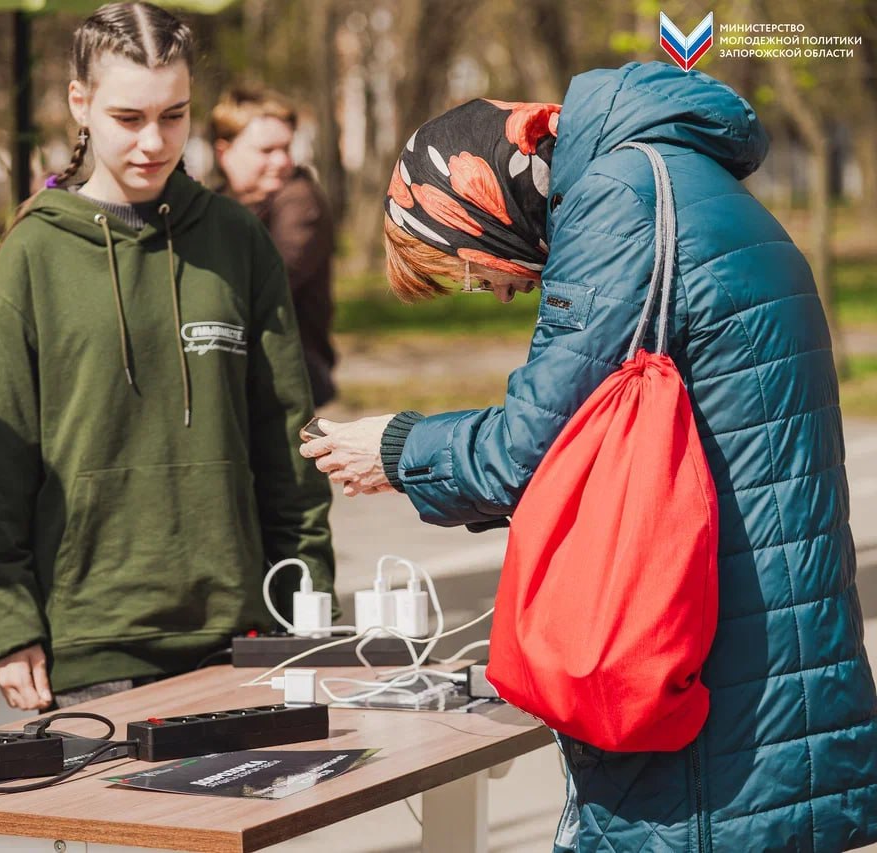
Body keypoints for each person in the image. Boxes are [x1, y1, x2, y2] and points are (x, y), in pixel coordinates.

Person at [302, 62, 877, 851]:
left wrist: (397, 448)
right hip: (775, 662)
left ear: (477, 201)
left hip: (710, 704)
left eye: (465, 269)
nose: (495, 291)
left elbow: (530, 447)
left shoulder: (617, 201)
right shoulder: (680, 178)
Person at [0, 2, 334, 712]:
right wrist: (8, 621)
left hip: (240, 632)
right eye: (128, 118)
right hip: (88, 645)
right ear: (81, 103)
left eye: (174, 115)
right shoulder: (33, 252)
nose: (154, 141)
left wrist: (308, 599)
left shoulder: (237, 240)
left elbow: (289, 441)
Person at [211, 86, 336, 407]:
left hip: (289, 373)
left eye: (286, 148)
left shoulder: (299, 200)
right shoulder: (212, 204)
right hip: (230, 370)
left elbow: (274, 278)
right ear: (224, 152)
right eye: (266, 150)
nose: (282, 161)